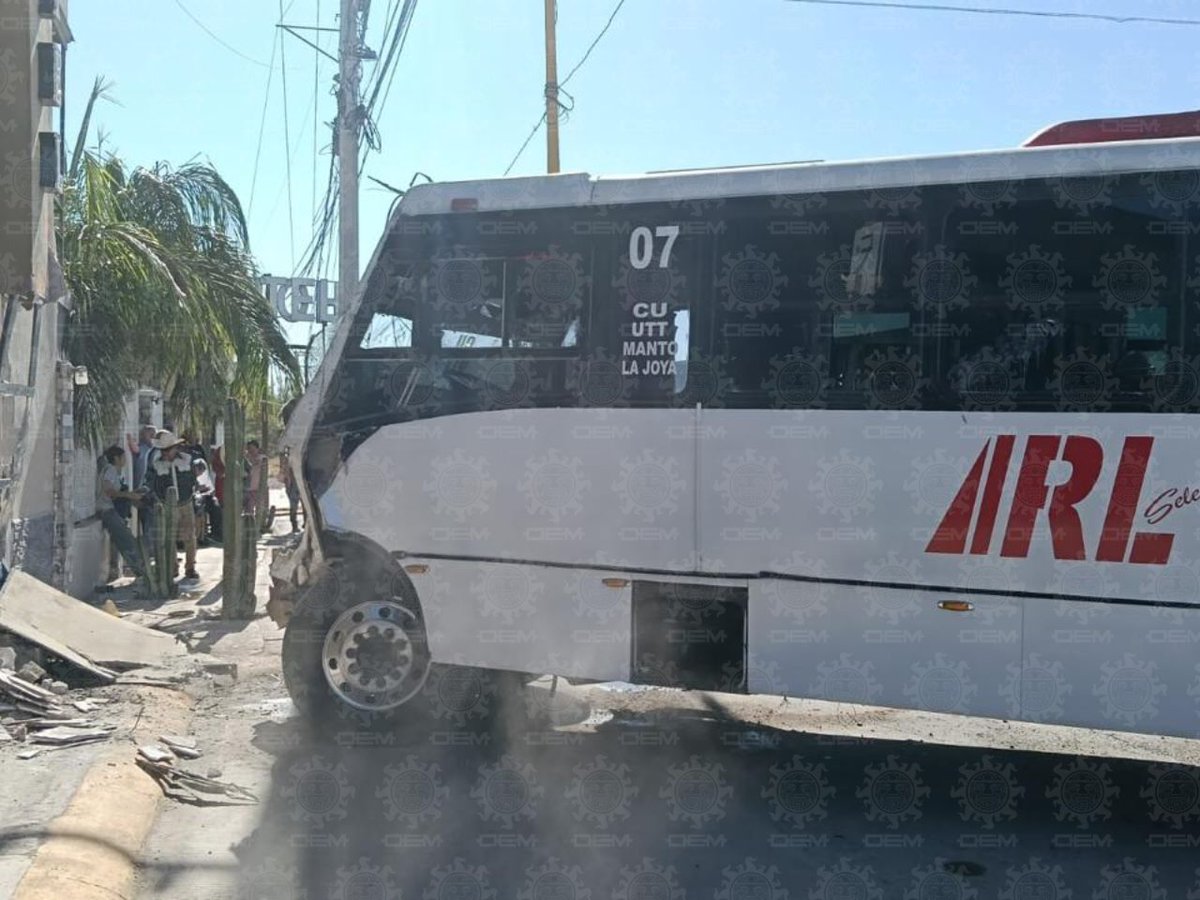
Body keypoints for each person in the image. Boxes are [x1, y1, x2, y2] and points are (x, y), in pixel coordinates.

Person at [145, 431, 199, 580]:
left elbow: (194, 478)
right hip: (167, 505)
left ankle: (190, 567)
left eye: (168, 449)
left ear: (175, 448)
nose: (165, 453)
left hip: (186, 503)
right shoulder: (156, 465)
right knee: (169, 537)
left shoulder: (188, 460)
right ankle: (172, 567)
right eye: (163, 450)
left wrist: (194, 490)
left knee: (189, 537)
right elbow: (151, 483)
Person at [96, 446, 146, 580]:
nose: (125, 460)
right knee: (127, 540)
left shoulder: (113, 471)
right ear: (116, 458)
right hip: (107, 510)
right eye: (123, 457)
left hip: (112, 510)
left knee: (122, 540)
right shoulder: (111, 470)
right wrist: (128, 495)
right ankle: (141, 571)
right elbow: (109, 491)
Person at [192, 458, 218, 545]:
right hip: (191, 502)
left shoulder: (198, 478)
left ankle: (203, 535)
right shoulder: (189, 477)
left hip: (199, 500)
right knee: (200, 511)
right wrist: (200, 489)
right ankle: (198, 536)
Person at [279, 447, 302, 533]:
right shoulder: (290, 460)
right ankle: (294, 525)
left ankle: (295, 525)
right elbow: (287, 473)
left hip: (293, 484)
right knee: (294, 505)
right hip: (293, 484)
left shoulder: (288, 460)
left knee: (294, 506)